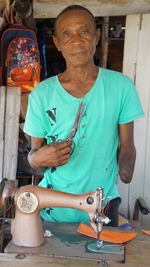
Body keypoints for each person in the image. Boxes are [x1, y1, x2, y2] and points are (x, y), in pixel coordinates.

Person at [24, 5, 144, 226]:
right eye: (67, 34)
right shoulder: (42, 94)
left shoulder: (121, 87)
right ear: (58, 43)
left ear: (97, 36)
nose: (76, 40)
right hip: (54, 208)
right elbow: (33, 155)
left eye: (84, 31)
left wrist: (127, 167)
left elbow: (127, 146)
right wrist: (36, 159)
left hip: (103, 203)